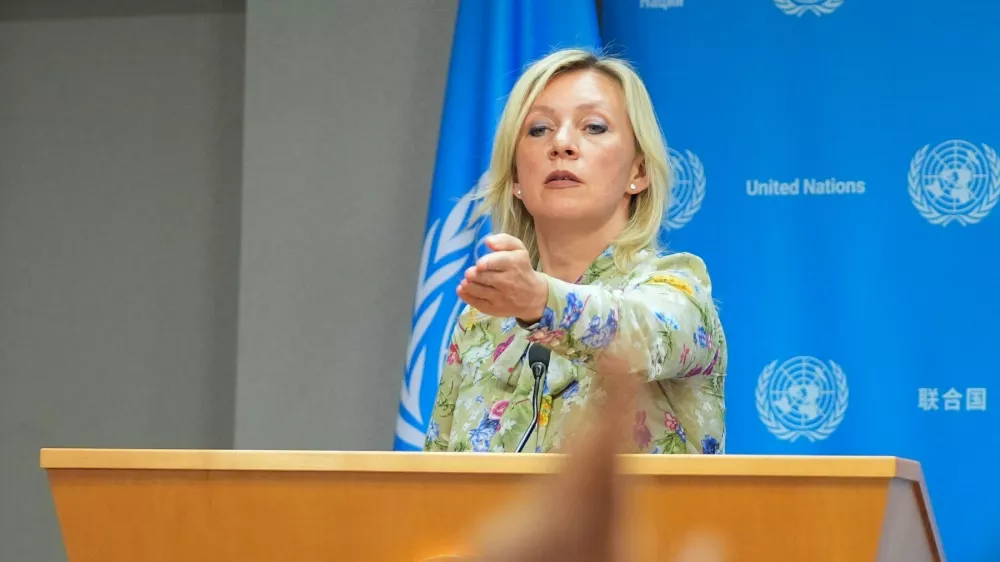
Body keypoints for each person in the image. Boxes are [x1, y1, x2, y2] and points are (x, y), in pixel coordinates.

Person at [422, 47, 726, 456]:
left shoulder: (680, 290)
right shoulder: (480, 322)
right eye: (539, 129)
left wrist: (538, 301)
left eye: (594, 127)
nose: (562, 143)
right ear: (514, 177)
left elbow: (634, 340)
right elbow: (433, 480)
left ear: (637, 172)